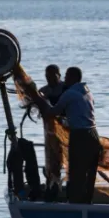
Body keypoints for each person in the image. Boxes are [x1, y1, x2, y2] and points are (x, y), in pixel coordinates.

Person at [22, 66, 102, 204]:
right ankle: (86, 204)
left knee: (76, 173)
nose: (65, 79)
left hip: (80, 136)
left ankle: (75, 206)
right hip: (94, 135)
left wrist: (39, 100)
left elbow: (51, 113)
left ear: (73, 78)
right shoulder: (87, 92)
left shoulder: (69, 93)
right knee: (89, 174)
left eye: (67, 76)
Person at [38, 64, 65, 201]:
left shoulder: (66, 89)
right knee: (51, 158)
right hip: (49, 131)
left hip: (65, 130)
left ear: (59, 75)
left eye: (52, 75)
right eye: (47, 76)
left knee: (64, 158)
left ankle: (62, 184)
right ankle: (52, 184)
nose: (49, 78)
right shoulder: (43, 91)